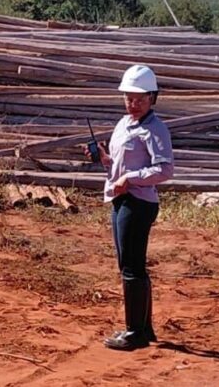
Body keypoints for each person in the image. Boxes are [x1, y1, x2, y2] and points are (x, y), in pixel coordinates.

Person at [84, 64, 174, 351]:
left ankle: (135, 332)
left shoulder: (155, 129)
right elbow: (119, 163)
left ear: (152, 98)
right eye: (128, 98)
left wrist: (130, 178)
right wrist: (103, 158)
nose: (133, 104)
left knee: (132, 267)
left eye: (139, 99)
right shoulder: (124, 123)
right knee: (129, 265)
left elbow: (165, 169)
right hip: (121, 199)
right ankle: (144, 328)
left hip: (139, 202)